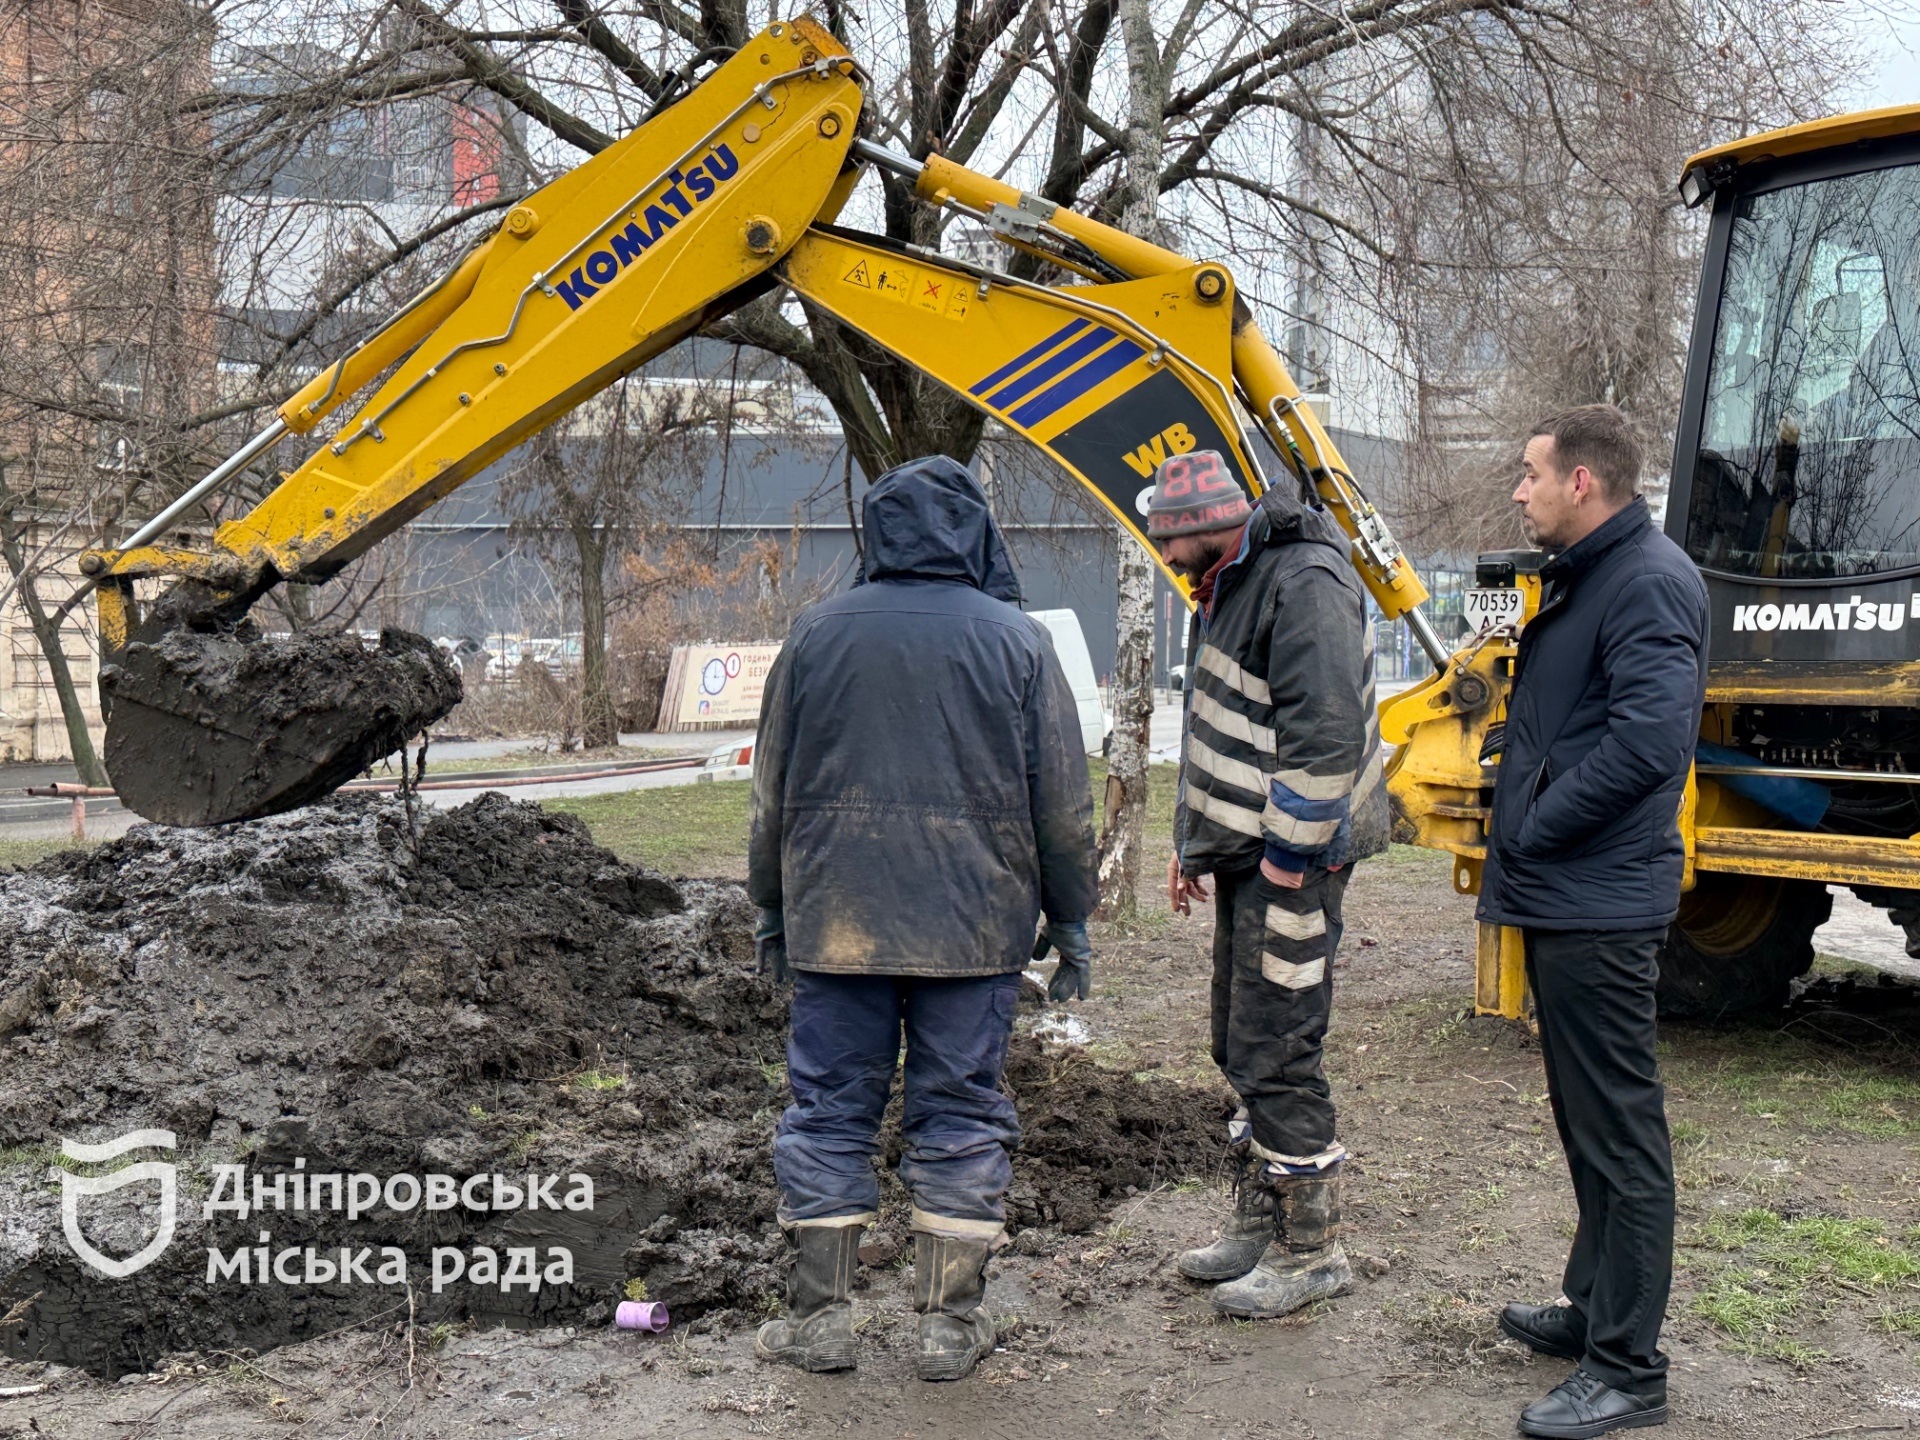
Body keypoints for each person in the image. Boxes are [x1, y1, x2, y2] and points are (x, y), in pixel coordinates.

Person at [747, 454, 1098, 1382]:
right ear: (977, 532)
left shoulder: (815, 634)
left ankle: (820, 1322)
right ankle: (948, 1328)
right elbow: (1064, 805)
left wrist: (773, 909)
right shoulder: (1020, 642)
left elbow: (770, 792)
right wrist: (1071, 919)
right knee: (960, 1112)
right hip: (973, 927)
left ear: (876, 533)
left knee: (829, 1111)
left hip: (839, 921)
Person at [1481, 404, 1708, 1439]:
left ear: (1583, 481)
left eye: (1531, 473)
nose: (1518, 490)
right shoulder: (1595, 574)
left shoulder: (1649, 579)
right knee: (1586, 1121)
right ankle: (1593, 1309)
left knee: (1621, 1133)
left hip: (1599, 898)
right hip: (1571, 892)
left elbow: (1650, 743)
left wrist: (1536, 821)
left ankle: (1628, 1369)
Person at [1154, 448, 1387, 1319]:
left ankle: (1312, 1249)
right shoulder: (1235, 581)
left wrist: (1289, 856)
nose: (1164, 558)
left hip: (1294, 861)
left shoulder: (1304, 580)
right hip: (1254, 857)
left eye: (1168, 542)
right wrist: (1194, 845)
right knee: (1240, 1038)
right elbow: (1224, 724)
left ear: (1203, 527)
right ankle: (1264, 1221)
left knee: (1279, 1044)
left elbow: (1324, 735)